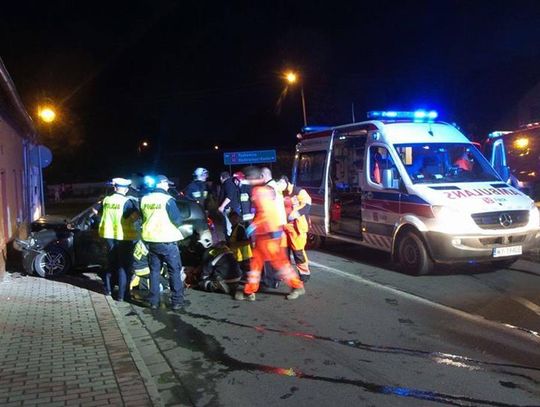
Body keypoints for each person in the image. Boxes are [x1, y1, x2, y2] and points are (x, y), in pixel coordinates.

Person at [234, 166, 305, 301]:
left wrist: (253, 226)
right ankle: (249, 291)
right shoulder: (264, 190)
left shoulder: (259, 191)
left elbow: (266, 213)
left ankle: (297, 286)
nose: (245, 181)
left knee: (280, 264)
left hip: (269, 234)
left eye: (246, 179)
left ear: (252, 179)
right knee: (256, 264)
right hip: (266, 234)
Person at [140, 174, 185, 310]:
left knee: (154, 272)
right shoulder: (168, 199)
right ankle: (177, 301)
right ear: (161, 183)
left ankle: (153, 301)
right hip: (167, 241)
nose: (168, 186)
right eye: (167, 184)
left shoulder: (144, 199)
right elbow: (177, 220)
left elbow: (142, 218)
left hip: (151, 241)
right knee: (174, 271)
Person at [98, 177, 140, 301]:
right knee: (123, 267)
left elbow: (99, 214)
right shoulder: (126, 202)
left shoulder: (106, 200)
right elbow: (135, 218)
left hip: (108, 237)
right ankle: (122, 295)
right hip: (124, 238)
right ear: (126, 190)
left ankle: (108, 290)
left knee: (110, 264)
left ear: (115, 188)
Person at [279, 176, 312, 282]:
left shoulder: (298, 191)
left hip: (297, 227)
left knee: (298, 252)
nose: (279, 186)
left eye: (281, 183)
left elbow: (307, 204)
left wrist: (296, 213)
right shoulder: (280, 193)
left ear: (286, 182)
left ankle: (304, 274)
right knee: (284, 251)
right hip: (284, 227)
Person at [218, 171, 241, 237]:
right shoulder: (232, 182)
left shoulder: (227, 183)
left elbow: (229, 197)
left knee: (229, 226)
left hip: (229, 209)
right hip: (233, 207)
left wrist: (222, 206)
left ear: (221, 178)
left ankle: (230, 242)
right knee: (233, 225)